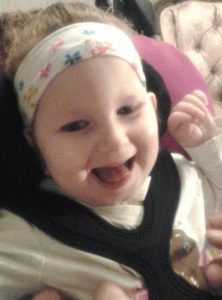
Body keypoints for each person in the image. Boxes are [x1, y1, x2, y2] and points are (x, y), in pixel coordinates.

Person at [0, 2, 222, 300]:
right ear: (34, 143)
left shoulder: (182, 176)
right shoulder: (31, 235)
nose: (115, 142)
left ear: (154, 109)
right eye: (76, 125)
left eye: (127, 109)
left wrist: (206, 147)